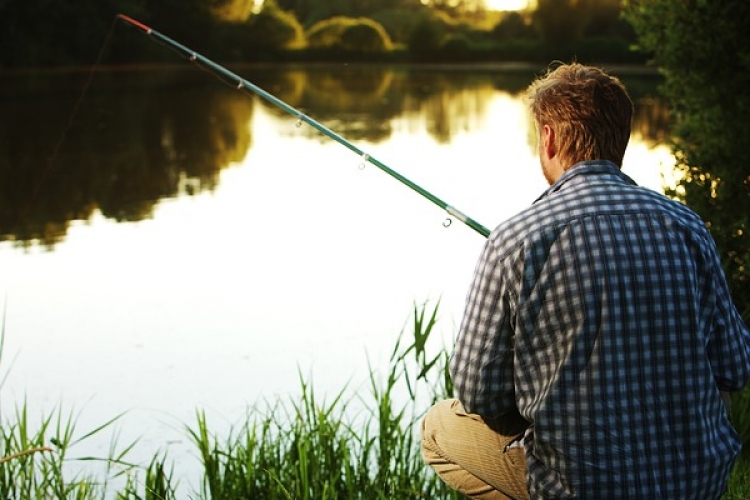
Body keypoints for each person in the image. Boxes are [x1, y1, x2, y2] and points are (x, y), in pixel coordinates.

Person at [420, 62, 750, 499]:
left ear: (549, 138)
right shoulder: (687, 226)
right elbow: (736, 366)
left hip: (580, 487)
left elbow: (477, 389)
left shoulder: (515, 239)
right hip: (695, 486)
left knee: (438, 429)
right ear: (622, 139)